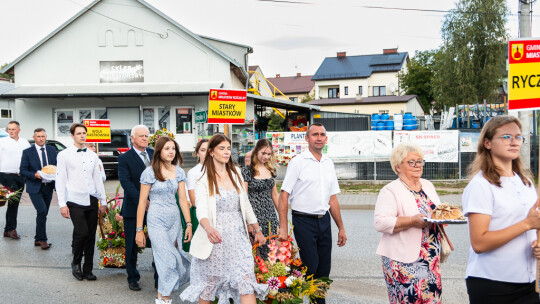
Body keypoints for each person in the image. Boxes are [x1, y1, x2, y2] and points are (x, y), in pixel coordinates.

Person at [181, 134, 268, 304]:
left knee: (246, 281)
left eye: (228, 148)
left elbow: (245, 204)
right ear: (211, 152)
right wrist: (208, 228)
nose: (227, 152)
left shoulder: (236, 173)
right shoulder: (203, 179)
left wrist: (257, 229)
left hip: (238, 237)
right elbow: (202, 210)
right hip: (215, 239)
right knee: (209, 286)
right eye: (222, 148)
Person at [462, 115, 540, 304]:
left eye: (518, 137)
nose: (514, 142)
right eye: (506, 137)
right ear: (487, 143)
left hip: (528, 282)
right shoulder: (481, 185)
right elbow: (479, 243)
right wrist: (526, 224)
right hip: (493, 284)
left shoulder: (526, 182)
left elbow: (535, 224)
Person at [277, 123, 347, 304]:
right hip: (303, 221)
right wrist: (283, 228)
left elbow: (332, 199)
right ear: (307, 138)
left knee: (324, 269)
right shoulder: (298, 162)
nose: (319, 137)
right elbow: (284, 195)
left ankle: (318, 302)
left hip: (324, 221)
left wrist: (341, 228)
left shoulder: (328, 163)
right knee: (311, 267)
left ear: (326, 139)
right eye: (314, 134)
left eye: (322, 134)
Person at [374, 142, 443, 303]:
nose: (417, 165)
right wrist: (412, 221)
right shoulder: (390, 190)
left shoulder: (427, 185)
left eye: (420, 161)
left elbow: (435, 212)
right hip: (403, 260)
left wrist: (442, 218)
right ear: (398, 166)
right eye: (411, 162)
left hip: (430, 258)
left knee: (432, 299)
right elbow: (380, 222)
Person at [135, 136, 192, 304]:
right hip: (156, 220)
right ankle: (165, 298)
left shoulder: (179, 171)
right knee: (167, 259)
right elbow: (141, 202)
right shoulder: (149, 172)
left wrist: (188, 223)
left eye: (173, 149)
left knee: (178, 258)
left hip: (174, 220)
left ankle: (161, 298)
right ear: (159, 151)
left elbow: (182, 199)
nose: (171, 152)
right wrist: (139, 230)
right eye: (167, 148)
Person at [56, 123, 106, 281]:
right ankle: (76, 263)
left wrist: (103, 201)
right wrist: (62, 204)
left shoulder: (93, 156)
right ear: (72, 136)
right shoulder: (64, 155)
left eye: (84, 133)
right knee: (82, 232)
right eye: (79, 133)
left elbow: (97, 180)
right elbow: (60, 179)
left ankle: (88, 269)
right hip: (74, 199)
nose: (82, 136)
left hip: (91, 198)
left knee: (91, 235)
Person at [118, 125, 159, 291]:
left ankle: (159, 276)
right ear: (132, 138)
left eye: (146, 136)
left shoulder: (154, 154)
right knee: (132, 245)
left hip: (156, 206)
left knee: (158, 242)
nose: (144, 138)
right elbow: (126, 183)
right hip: (133, 207)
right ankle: (133, 277)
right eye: (141, 136)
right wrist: (143, 200)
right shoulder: (124, 158)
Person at [19, 128, 57, 250]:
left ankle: (37, 238)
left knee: (43, 213)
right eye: (38, 136)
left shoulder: (52, 150)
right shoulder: (27, 152)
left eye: (43, 136)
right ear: (34, 137)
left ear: (46, 137)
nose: (41, 138)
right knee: (41, 211)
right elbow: (22, 170)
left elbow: (57, 166)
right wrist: (34, 175)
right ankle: (43, 240)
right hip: (35, 187)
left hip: (48, 186)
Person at [241, 138, 279, 246]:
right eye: (263, 153)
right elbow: (244, 197)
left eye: (268, 154)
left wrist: (281, 220)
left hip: (270, 216)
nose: (266, 157)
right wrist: (248, 222)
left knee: (272, 251)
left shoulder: (271, 170)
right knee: (256, 251)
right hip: (254, 216)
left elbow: (275, 196)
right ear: (256, 150)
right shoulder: (247, 170)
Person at [0, 121, 30, 240]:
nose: (11, 131)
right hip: (5, 175)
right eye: (9, 129)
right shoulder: (2, 141)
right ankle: (11, 229)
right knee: (12, 201)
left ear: (19, 130)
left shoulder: (24, 142)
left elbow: (28, 158)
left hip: (20, 176)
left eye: (13, 129)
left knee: (14, 203)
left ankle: (8, 229)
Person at [183, 139, 209, 252]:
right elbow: (194, 201)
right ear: (197, 153)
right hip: (201, 213)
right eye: (203, 150)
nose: (206, 153)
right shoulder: (193, 172)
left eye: (209, 149)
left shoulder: (221, 169)